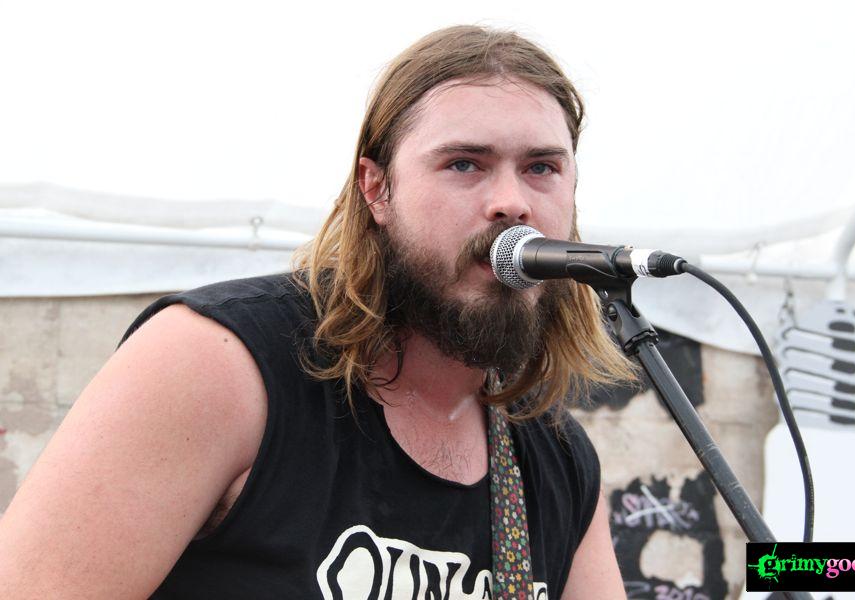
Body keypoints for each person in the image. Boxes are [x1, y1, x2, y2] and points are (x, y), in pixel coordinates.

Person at [0, 25, 638, 598]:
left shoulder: (554, 457)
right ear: (376, 189)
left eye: (541, 168)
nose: (510, 202)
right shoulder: (216, 364)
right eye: (464, 164)